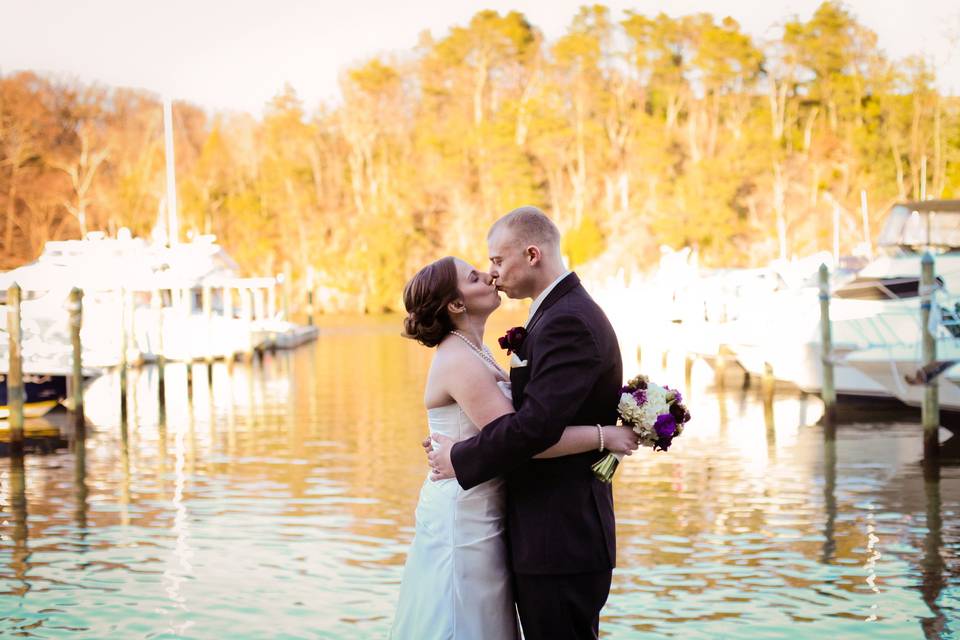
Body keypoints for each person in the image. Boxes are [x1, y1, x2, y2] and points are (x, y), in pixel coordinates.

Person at [390, 251, 636, 640]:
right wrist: (605, 435)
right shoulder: (458, 360)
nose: (489, 276)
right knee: (464, 618)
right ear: (456, 304)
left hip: (489, 507)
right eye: (473, 277)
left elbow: (523, 429)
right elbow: (526, 439)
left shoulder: (476, 350)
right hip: (465, 516)